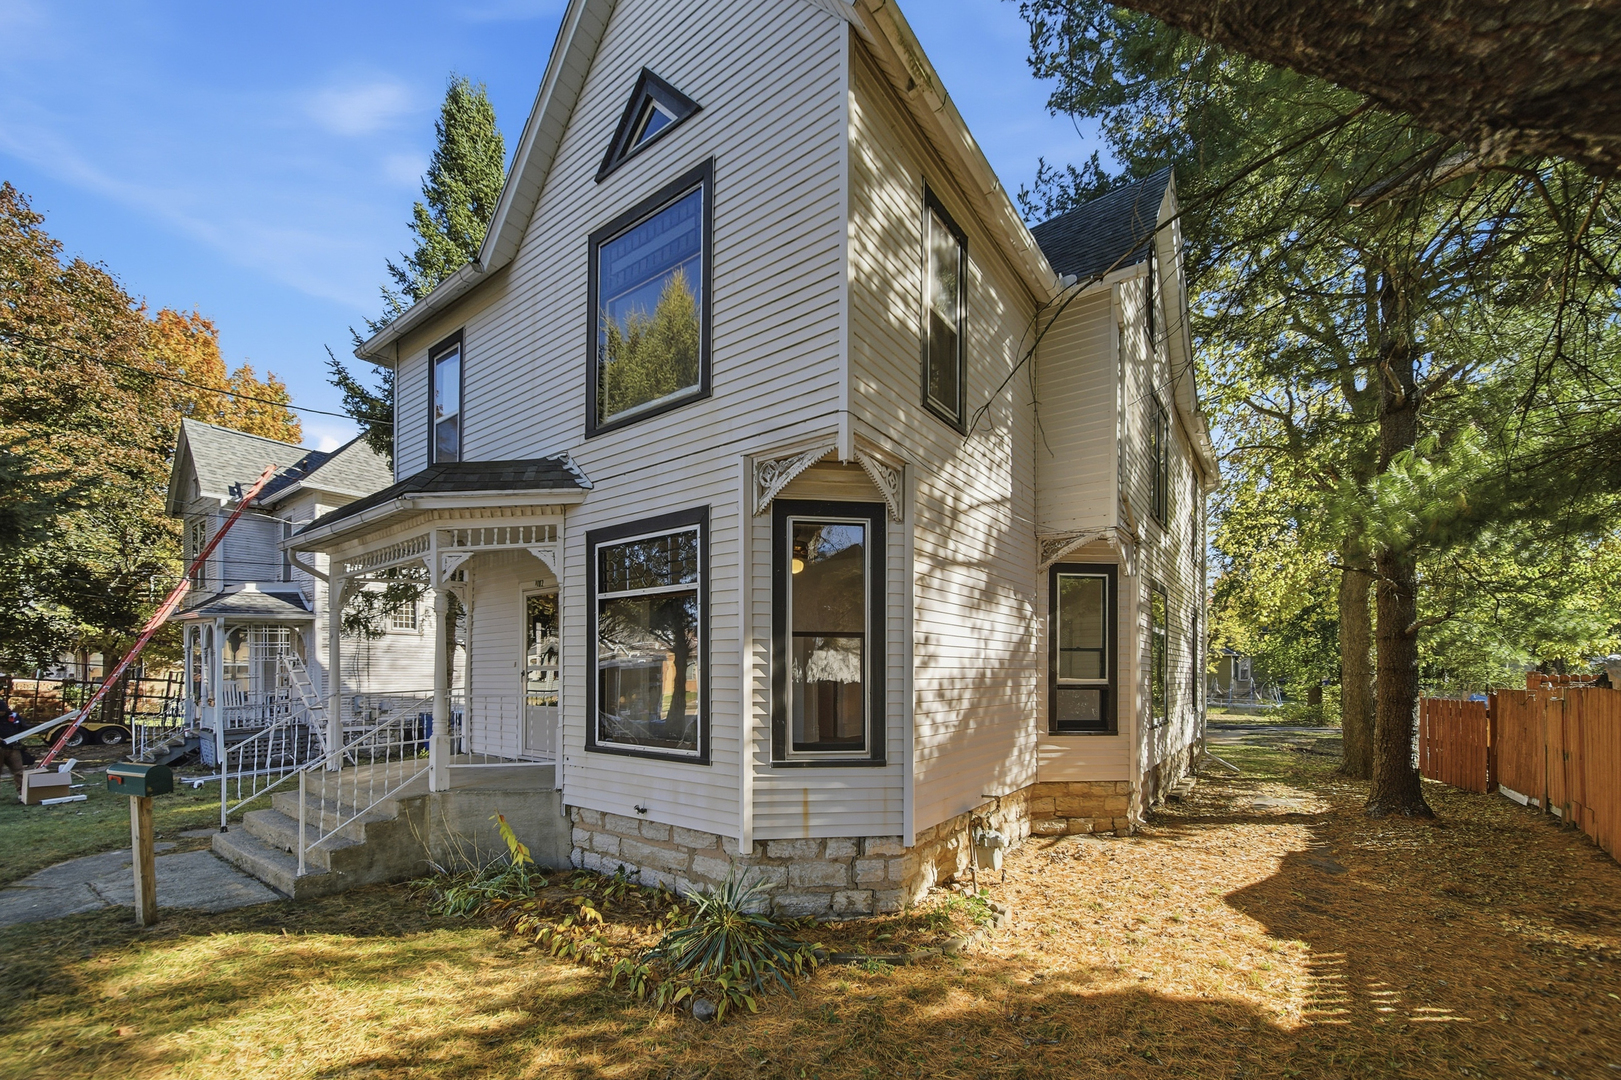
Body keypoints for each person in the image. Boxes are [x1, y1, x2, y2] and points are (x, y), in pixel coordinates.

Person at [0, 698, 35, 794]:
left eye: (3, 711)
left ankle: (23, 793)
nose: (1, 713)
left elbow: (24, 728)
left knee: (19, 772)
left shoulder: (14, 717)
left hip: (14, 749)